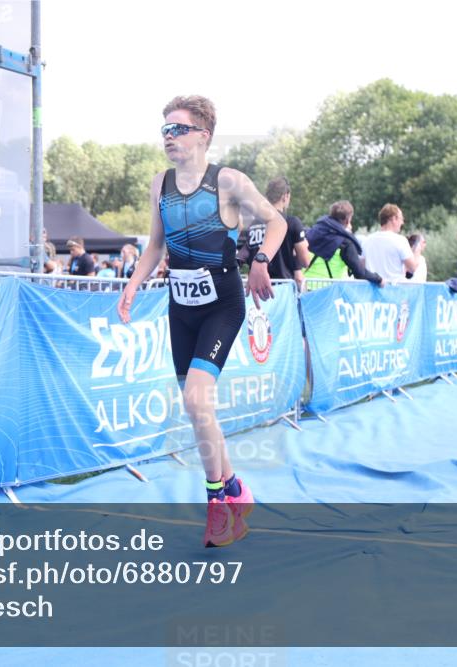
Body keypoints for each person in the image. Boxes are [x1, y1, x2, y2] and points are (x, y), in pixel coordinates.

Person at [117, 95, 287, 548]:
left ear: (203, 136)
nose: (168, 137)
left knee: (196, 399)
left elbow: (276, 223)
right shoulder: (160, 184)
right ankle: (235, 488)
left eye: (178, 129)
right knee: (198, 409)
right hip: (181, 305)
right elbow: (155, 244)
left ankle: (219, 507)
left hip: (222, 302)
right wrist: (134, 282)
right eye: (165, 129)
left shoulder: (227, 181)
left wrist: (261, 261)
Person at [240, 176, 309, 292]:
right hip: (283, 290)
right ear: (285, 196)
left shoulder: (253, 223)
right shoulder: (291, 222)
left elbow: (247, 255)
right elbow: (305, 261)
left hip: (257, 287)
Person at [303, 201, 382, 284]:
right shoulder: (345, 243)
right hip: (329, 291)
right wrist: (378, 279)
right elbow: (360, 273)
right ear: (348, 220)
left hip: (305, 288)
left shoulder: (310, 233)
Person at [361, 204, 420, 283]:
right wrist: (416, 252)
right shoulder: (400, 241)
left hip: (372, 291)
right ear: (394, 218)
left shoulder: (367, 241)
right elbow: (412, 268)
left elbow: (361, 268)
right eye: (401, 219)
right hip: (393, 291)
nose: (402, 222)